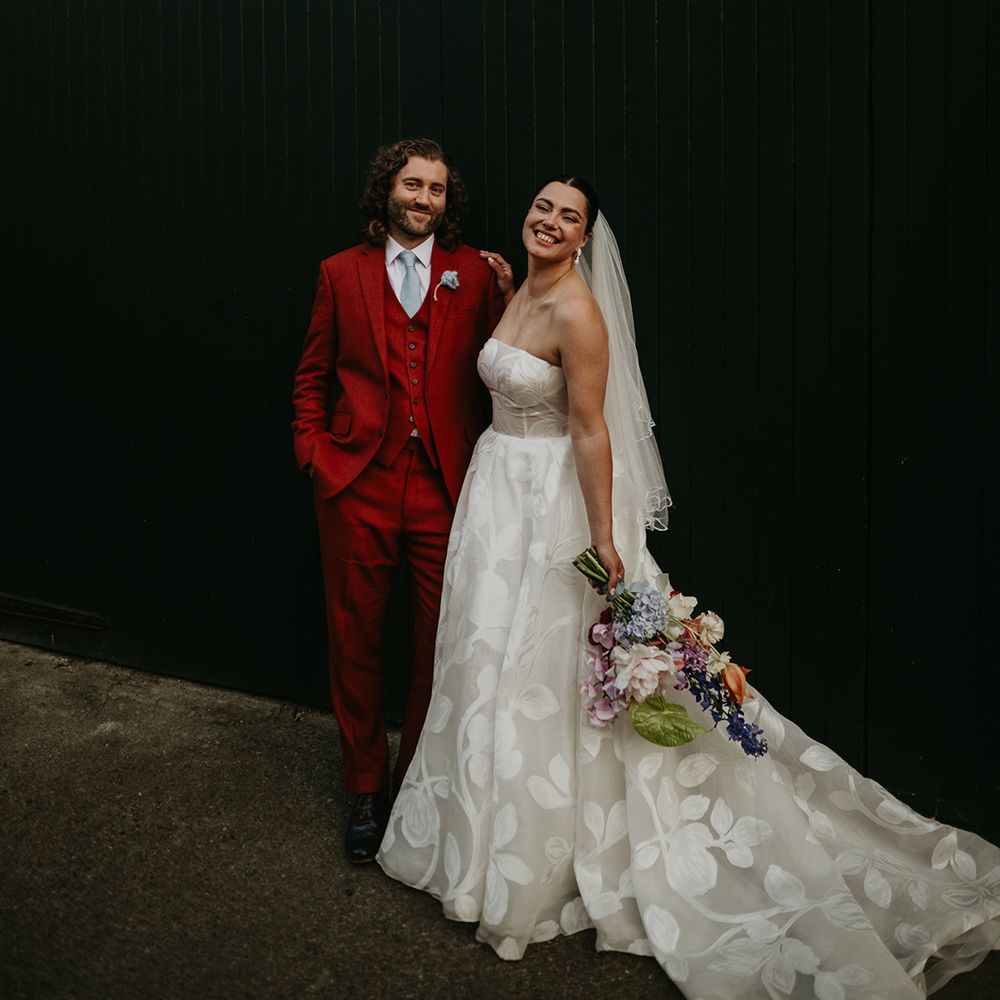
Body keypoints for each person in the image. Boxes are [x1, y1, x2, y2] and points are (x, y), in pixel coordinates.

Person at [377, 177, 1000, 997]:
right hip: (495, 494)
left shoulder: (579, 315)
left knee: (540, 669)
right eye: (543, 206)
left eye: (569, 215)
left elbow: (594, 428)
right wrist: (498, 281)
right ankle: (470, 830)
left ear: (586, 238)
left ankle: (533, 857)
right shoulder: (515, 284)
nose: (550, 220)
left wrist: (603, 542)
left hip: (549, 504)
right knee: (486, 652)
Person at [292, 138, 513, 864]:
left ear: (448, 203)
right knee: (354, 638)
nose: (424, 199)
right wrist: (317, 456)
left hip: (445, 488)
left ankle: (415, 777)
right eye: (413, 185)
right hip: (358, 483)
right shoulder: (339, 273)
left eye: (438, 190)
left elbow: (504, 368)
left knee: (437, 643)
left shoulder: (474, 276)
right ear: (387, 189)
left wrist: (511, 297)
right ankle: (365, 785)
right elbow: (312, 376)